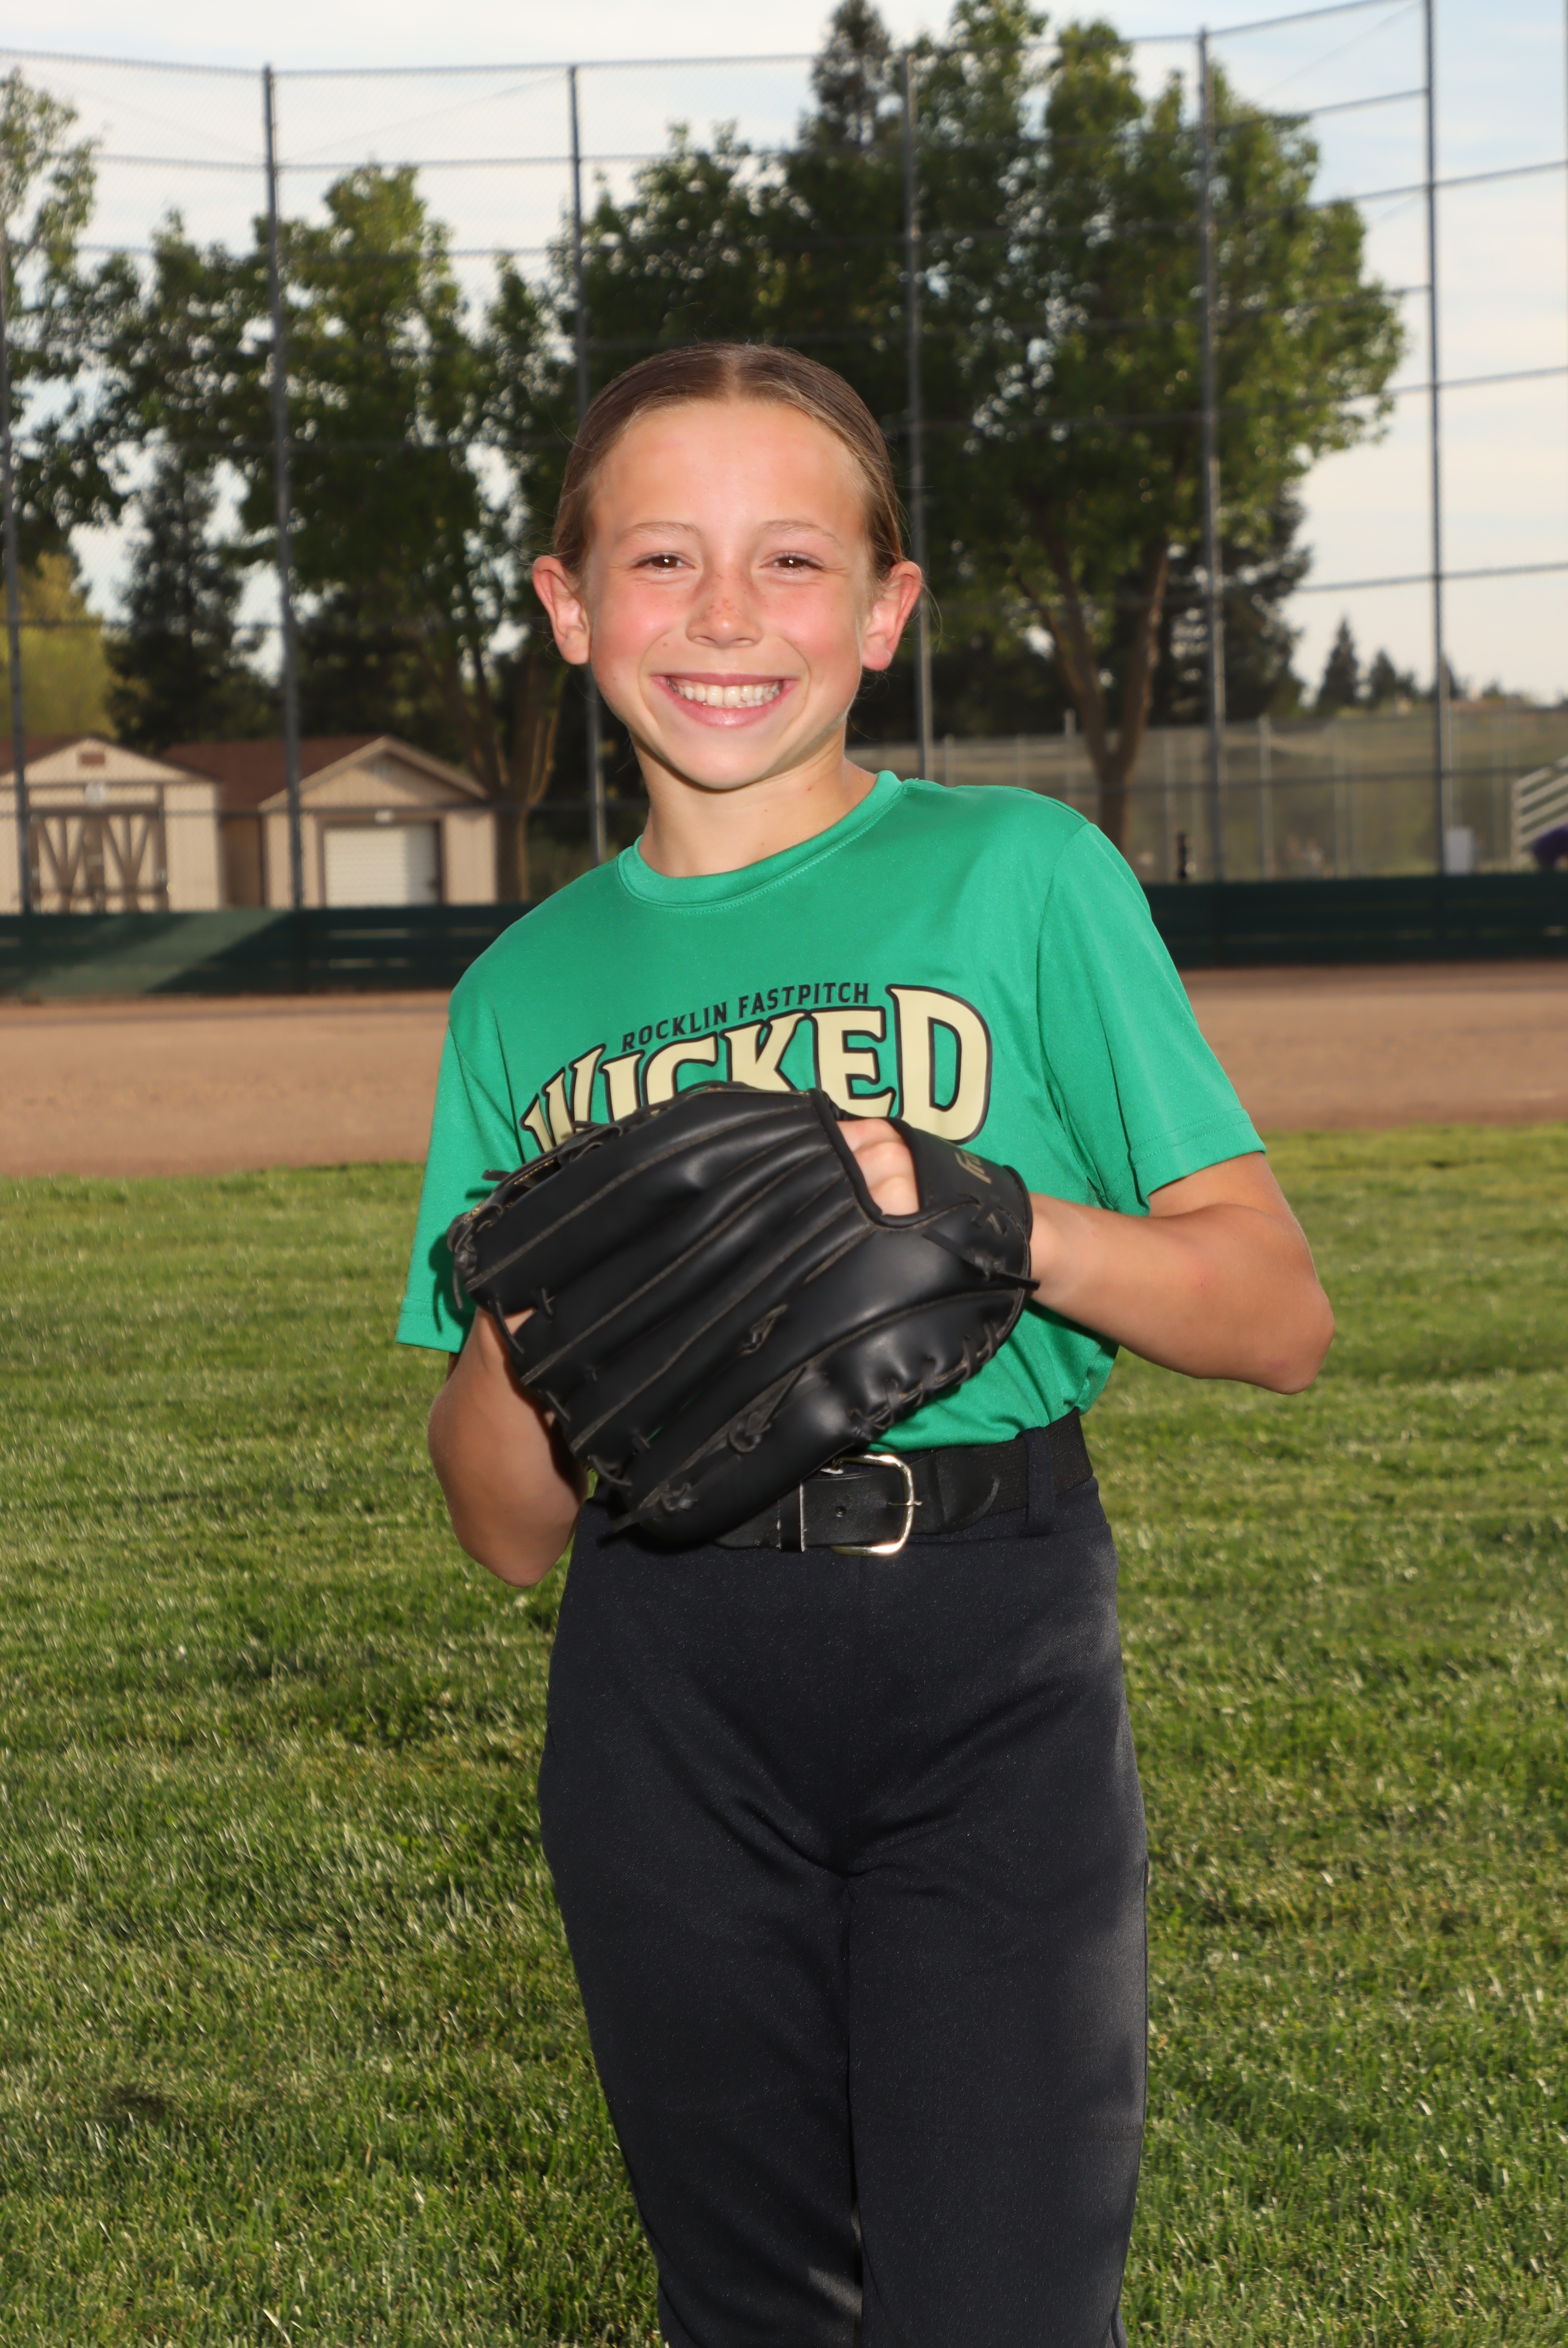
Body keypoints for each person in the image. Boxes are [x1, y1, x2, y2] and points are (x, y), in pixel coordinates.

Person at [397, 343, 1334, 2348]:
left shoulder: (1019, 875)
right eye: (662, 558)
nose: (726, 615)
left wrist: (996, 1218)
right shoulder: (520, 991)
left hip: (984, 1647)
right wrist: (550, 1311)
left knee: (1000, 2303)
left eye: (794, 560)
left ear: (886, 612)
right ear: (569, 606)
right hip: (664, 1680)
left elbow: (1276, 1318)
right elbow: (500, 1530)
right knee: (750, 2308)